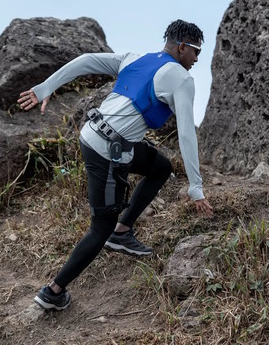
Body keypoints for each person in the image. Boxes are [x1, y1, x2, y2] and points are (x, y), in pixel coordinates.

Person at [18, 19, 214, 311]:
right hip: (107, 152)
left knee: (159, 167)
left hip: (92, 135)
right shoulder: (181, 79)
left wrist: (47, 87)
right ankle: (53, 292)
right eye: (196, 51)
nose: (197, 59)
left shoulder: (134, 59)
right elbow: (186, 133)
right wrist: (195, 188)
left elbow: (85, 61)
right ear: (182, 47)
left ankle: (123, 232)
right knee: (100, 227)